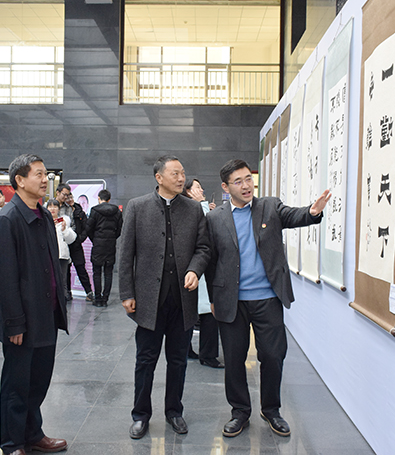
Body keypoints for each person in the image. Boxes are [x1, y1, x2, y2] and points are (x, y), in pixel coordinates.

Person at [205, 159, 330, 438]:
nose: (246, 185)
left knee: (273, 356)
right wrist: (213, 297)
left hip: (267, 298)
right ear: (226, 187)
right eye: (238, 181)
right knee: (234, 359)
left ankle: (271, 409)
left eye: (248, 179)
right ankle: (240, 412)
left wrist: (312, 211)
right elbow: (211, 260)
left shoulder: (269, 207)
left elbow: (293, 216)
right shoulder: (215, 218)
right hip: (232, 300)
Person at [119, 155, 210, 439]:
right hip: (149, 299)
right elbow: (126, 253)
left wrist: (195, 269)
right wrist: (126, 292)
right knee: (145, 360)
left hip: (182, 299)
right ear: (159, 177)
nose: (181, 178)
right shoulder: (138, 207)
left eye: (183, 173)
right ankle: (140, 415)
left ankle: (174, 411)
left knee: (178, 360)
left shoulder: (193, 209)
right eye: (175, 174)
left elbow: (203, 248)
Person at [0, 154, 69, 455]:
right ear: (20, 180)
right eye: (38, 173)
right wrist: (14, 323)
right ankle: (12, 443)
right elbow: (5, 278)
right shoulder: (7, 220)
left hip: (46, 313)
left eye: (46, 173)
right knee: (16, 385)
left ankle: (33, 434)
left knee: (38, 381)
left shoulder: (43, 215)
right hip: (21, 320)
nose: (44, 179)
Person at [182, 179, 223, 369]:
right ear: (189, 191)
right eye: (197, 187)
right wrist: (203, 206)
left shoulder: (199, 208)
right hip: (197, 268)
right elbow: (207, 229)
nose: (201, 190)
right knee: (202, 313)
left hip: (203, 269)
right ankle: (204, 354)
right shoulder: (190, 209)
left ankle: (200, 352)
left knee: (205, 312)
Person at [55, 183, 94, 301]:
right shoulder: (50, 205)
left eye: (68, 195)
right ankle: (66, 292)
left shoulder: (71, 208)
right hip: (58, 243)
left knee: (80, 266)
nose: (66, 197)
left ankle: (89, 292)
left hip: (72, 241)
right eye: (64, 195)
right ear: (57, 193)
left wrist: (75, 237)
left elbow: (74, 225)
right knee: (64, 268)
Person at [86, 189, 122, 307]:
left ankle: (98, 299)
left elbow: (89, 228)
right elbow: (119, 229)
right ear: (109, 199)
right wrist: (112, 238)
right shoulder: (117, 211)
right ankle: (105, 299)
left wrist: (95, 239)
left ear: (99, 198)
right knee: (108, 272)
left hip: (98, 245)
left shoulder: (94, 210)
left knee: (97, 272)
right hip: (110, 245)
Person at [46, 199, 77, 300]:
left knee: (62, 280)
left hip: (62, 255)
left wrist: (64, 230)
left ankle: (62, 301)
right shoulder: (44, 222)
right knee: (49, 280)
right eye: (50, 206)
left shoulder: (64, 221)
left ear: (59, 209)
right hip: (48, 255)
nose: (52, 209)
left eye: (55, 207)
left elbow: (71, 239)